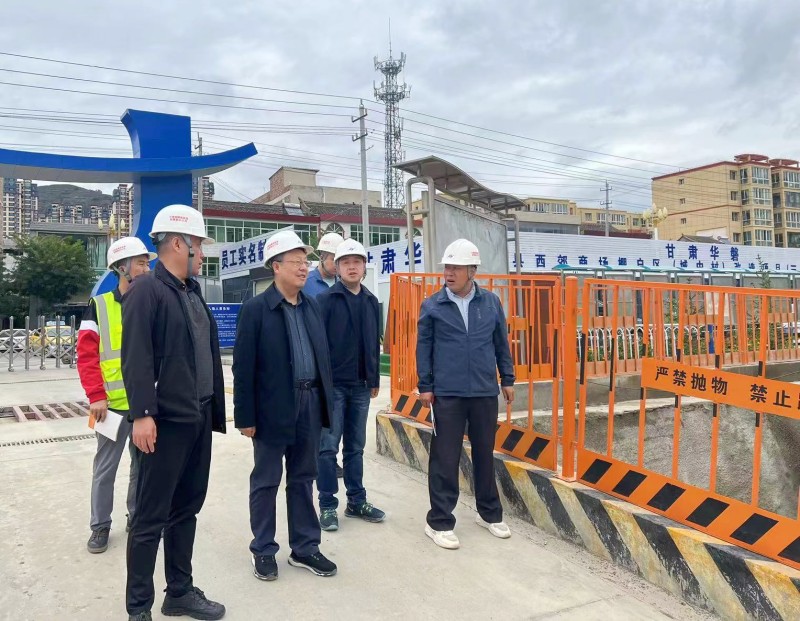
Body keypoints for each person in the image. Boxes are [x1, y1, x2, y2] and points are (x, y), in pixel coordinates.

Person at [121, 204, 227, 621]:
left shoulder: (191, 292)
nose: (203, 252)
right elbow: (136, 356)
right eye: (199, 243)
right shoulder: (147, 290)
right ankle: (138, 609)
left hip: (196, 418)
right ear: (180, 243)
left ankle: (179, 592)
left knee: (186, 509)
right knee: (150, 517)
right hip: (163, 422)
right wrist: (142, 414)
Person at [234, 230, 338, 582]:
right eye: (296, 262)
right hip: (272, 407)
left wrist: (325, 405)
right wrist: (245, 416)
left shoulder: (312, 307)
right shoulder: (256, 310)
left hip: (309, 402)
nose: (304, 267)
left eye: (305, 261)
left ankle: (305, 547)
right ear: (275, 267)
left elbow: (322, 358)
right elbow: (243, 368)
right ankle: (263, 549)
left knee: (303, 478)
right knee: (266, 480)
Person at [416, 239, 515, 550]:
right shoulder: (433, 305)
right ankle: (439, 521)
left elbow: (501, 343)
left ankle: (489, 513)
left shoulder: (491, 303)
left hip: (484, 391)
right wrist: (425, 385)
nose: (449, 273)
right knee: (445, 458)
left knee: (485, 453)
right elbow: (424, 348)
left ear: (472, 271)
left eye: (456, 268)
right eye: (447, 267)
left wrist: (507, 378)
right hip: (448, 393)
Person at [78, 237, 155, 554]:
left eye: (147, 263)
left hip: (143, 406)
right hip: (108, 407)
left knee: (142, 469)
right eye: (141, 263)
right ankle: (100, 526)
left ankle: (136, 518)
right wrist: (96, 395)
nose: (147, 269)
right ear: (122, 268)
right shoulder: (99, 306)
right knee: (105, 469)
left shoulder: (151, 304)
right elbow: (86, 356)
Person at [316, 239, 385, 531]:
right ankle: (327, 505)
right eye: (346, 262)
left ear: (364, 267)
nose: (352, 267)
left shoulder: (371, 301)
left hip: (361, 387)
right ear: (337, 268)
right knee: (328, 448)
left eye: (357, 262)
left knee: (356, 447)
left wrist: (374, 378)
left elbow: (373, 344)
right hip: (333, 387)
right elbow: (318, 346)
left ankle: (356, 501)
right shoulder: (325, 301)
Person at [302, 230, 345, 478]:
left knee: (334, 415)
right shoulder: (307, 282)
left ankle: (328, 458)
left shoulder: (343, 284)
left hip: (336, 359)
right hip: (312, 357)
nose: (338, 266)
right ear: (322, 257)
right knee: (314, 413)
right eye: (334, 260)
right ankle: (314, 459)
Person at [302, 231, 344, 298]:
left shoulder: (344, 284)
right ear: (321, 258)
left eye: (340, 260)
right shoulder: (304, 282)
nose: (338, 264)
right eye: (334, 260)